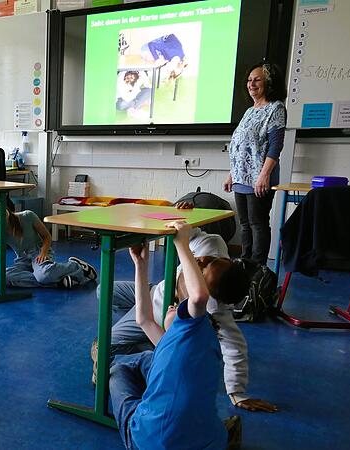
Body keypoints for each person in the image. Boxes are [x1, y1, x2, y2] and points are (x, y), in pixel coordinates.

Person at [92, 202, 278, 413]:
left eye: (204, 269)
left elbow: (235, 346)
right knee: (104, 291)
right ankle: (151, 340)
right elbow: (188, 232)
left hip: (155, 314)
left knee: (107, 346)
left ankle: (153, 344)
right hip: (155, 292)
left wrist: (236, 392)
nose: (200, 260)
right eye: (211, 260)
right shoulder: (213, 246)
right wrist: (184, 211)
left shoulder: (212, 306)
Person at [109, 221, 243, 449]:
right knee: (148, 358)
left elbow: (199, 297)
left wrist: (181, 243)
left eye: (202, 268)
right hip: (211, 441)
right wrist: (141, 264)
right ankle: (224, 432)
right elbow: (144, 319)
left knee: (117, 370)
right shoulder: (199, 340)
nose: (200, 260)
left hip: (150, 441)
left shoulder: (192, 325)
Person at [224, 62, 287, 265]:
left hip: (259, 178)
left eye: (257, 79)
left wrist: (264, 175)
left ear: (268, 83)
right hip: (241, 177)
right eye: (249, 80)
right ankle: (245, 262)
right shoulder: (250, 111)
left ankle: (257, 267)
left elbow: (275, 146)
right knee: (244, 225)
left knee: (257, 223)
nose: (251, 84)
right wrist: (232, 174)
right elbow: (240, 146)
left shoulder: (275, 108)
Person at [0, 203, 98, 289]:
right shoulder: (0, 231)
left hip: (39, 253)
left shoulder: (27, 215)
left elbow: (47, 237)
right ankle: (55, 282)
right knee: (4, 277)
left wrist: (43, 252)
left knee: (44, 275)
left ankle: (76, 266)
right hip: (22, 259)